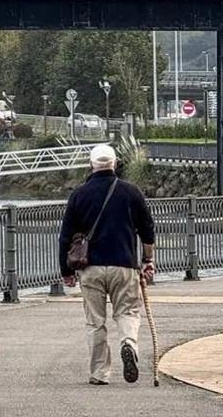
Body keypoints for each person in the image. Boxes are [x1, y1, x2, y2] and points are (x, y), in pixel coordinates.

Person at [59, 143, 155, 385]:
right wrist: (147, 260)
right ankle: (128, 343)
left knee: (95, 321)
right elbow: (147, 229)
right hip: (124, 265)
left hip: (90, 268)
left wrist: (66, 271)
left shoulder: (79, 195)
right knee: (128, 311)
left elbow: (65, 236)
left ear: (91, 165)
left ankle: (99, 373)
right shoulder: (131, 192)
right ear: (114, 164)